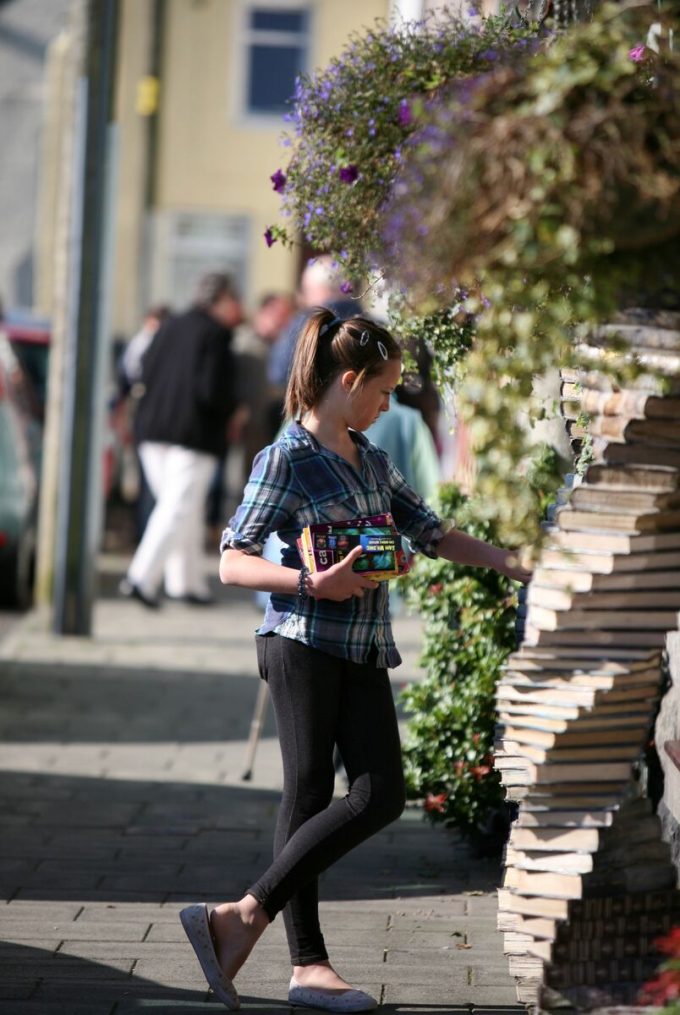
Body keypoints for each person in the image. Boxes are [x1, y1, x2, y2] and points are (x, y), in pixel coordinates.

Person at [178, 308, 531, 1011]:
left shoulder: (371, 457)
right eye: (383, 389)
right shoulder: (285, 458)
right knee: (309, 795)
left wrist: (514, 563)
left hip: (364, 645)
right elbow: (232, 562)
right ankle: (307, 966)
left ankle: (238, 916)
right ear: (348, 380)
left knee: (380, 794)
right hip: (301, 644)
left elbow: (429, 531)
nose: (387, 403)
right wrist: (315, 581)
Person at [119, 272, 240, 607]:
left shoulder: (170, 324)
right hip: (193, 434)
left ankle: (184, 583)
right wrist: (234, 407)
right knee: (177, 508)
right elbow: (212, 390)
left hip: (152, 430)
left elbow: (142, 367)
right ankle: (140, 578)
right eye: (233, 300)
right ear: (222, 300)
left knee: (181, 508)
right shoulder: (216, 334)